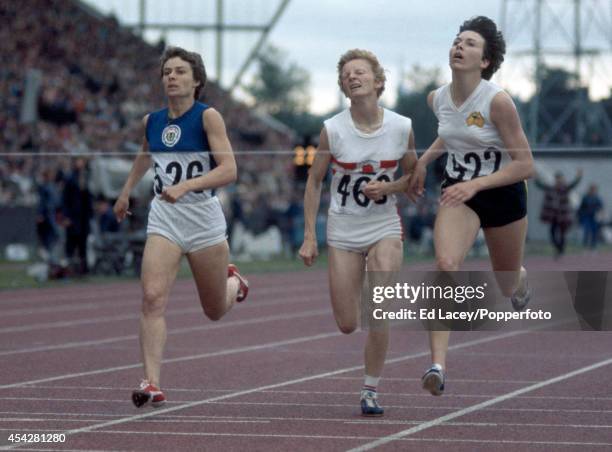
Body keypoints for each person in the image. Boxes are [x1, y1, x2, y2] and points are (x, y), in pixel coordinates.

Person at [113, 46, 249, 408]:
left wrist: (187, 185)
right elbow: (146, 154)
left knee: (214, 310)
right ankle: (152, 381)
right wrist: (126, 192)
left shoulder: (208, 118)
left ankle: (234, 283)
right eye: (167, 72)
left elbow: (229, 170)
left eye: (180, 72)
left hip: (202, 219)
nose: (171, 77)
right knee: (152, 297)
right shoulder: (152, 121)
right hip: (165, 218)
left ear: (197, 80)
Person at [409, 16, 535, 397]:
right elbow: (450, 134)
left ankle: (520, 282)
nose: (459, 46)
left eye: (470, 43)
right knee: (445, 265)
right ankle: (437, 366)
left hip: (503, 193)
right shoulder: (437, 98)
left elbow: (525, 164)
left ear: (485, 61)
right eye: (457, 40)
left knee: (506, 280)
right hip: (458, 194)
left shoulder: (498, 102)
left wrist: (476, 184)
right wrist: (423, 160)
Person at [299, 49, 417, 416]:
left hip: (384, 225)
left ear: (378, 81)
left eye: (360, 72)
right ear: (343, 87)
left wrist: (390, 189)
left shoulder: (401, 126)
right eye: (347, 74)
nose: (353, 77)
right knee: (348, 322)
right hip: (344, 229)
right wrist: (309, 235)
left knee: (379, 308)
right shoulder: (332, 129)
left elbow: (414, 179)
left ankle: (370, 389)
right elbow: (314, 181)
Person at [535, 169, 582, 257]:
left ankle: (561, 249)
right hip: (553, 215)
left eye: (560, 178)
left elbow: (574, 184)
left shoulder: (565, 188)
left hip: (564, 215)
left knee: (562, 233)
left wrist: (579, 177)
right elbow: (539, 185)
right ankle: (557, 247)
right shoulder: (551, 188)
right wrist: (536, 177)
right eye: (557, 179)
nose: (559, 180)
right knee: (552, 232)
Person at [578, 184, 602, 249]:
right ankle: (585, 244)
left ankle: (593, 245)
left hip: (594, 217)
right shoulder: (585, 198)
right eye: (592, 189)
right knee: (586, 229)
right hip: (586, 216)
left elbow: (601, 208)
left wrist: (600, 216)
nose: (593, 191)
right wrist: (580, 217)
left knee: (595, 230)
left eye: (594, 190)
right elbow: (581, 208)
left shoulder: (597, 198)